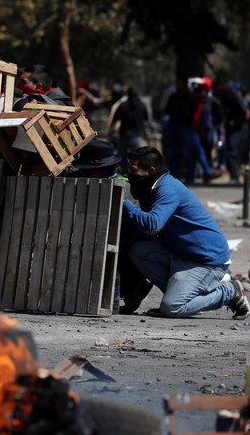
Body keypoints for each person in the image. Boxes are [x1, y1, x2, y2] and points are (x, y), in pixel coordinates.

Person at [123, 146, 249, 319]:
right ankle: (182, 295)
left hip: (206, 261)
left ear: (150, 170)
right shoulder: (149, 187)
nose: (128, 174)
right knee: (139, 251)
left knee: (172, 308)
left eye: (132, 170)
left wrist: (124, 203)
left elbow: (152, 225)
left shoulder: (167, 188)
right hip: (180, 254)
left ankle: (229, 292)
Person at [68, 140, 152, 314]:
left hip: (124, 240)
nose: (90, 174)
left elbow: (134, 223)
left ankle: (132, 290)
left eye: (94, 170)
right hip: (94, 235)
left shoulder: (123, 186)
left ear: (104, 169)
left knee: (115, 256)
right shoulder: (82, 183)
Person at [107, 86, 148, 156]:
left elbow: (115, 120)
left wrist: (110, 131)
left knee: (121, 160)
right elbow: (146, 119)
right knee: (135, 160)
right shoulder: (142, 105)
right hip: (136, 136)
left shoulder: (123, 105)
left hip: (124, 136)